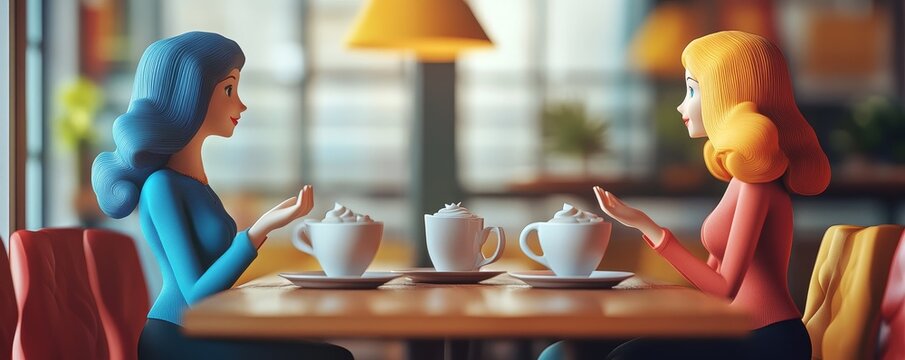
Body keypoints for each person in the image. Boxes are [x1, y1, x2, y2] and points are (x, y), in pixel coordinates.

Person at [542, 30, 829, 360]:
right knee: (560, 353)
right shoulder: (740, 179)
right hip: (727, 326)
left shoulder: (759, 185)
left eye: (692, 90)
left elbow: (724, 288)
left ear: (727, 94)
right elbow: (711, 281)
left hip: (767, 339)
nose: (682, 104)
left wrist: (645, 225)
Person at [92, 31, 352, 360]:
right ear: (190, 96)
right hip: (177, 338)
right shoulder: (161, 187)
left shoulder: (196, 184)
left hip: (207, 327)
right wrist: (261, 229)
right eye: (229, 89)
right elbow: (196, 295)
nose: (241, 104)